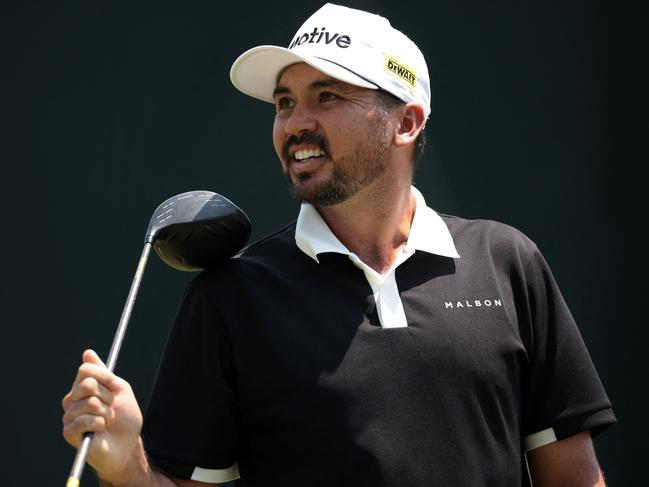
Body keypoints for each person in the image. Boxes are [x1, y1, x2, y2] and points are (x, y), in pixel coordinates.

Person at [62, 4, 615, 486]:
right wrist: (128, 470)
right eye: (283, 103)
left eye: (325, 97)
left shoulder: (507, 262)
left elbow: (574, 476)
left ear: (406, 122)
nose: (294, 124)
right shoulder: (231, 297)